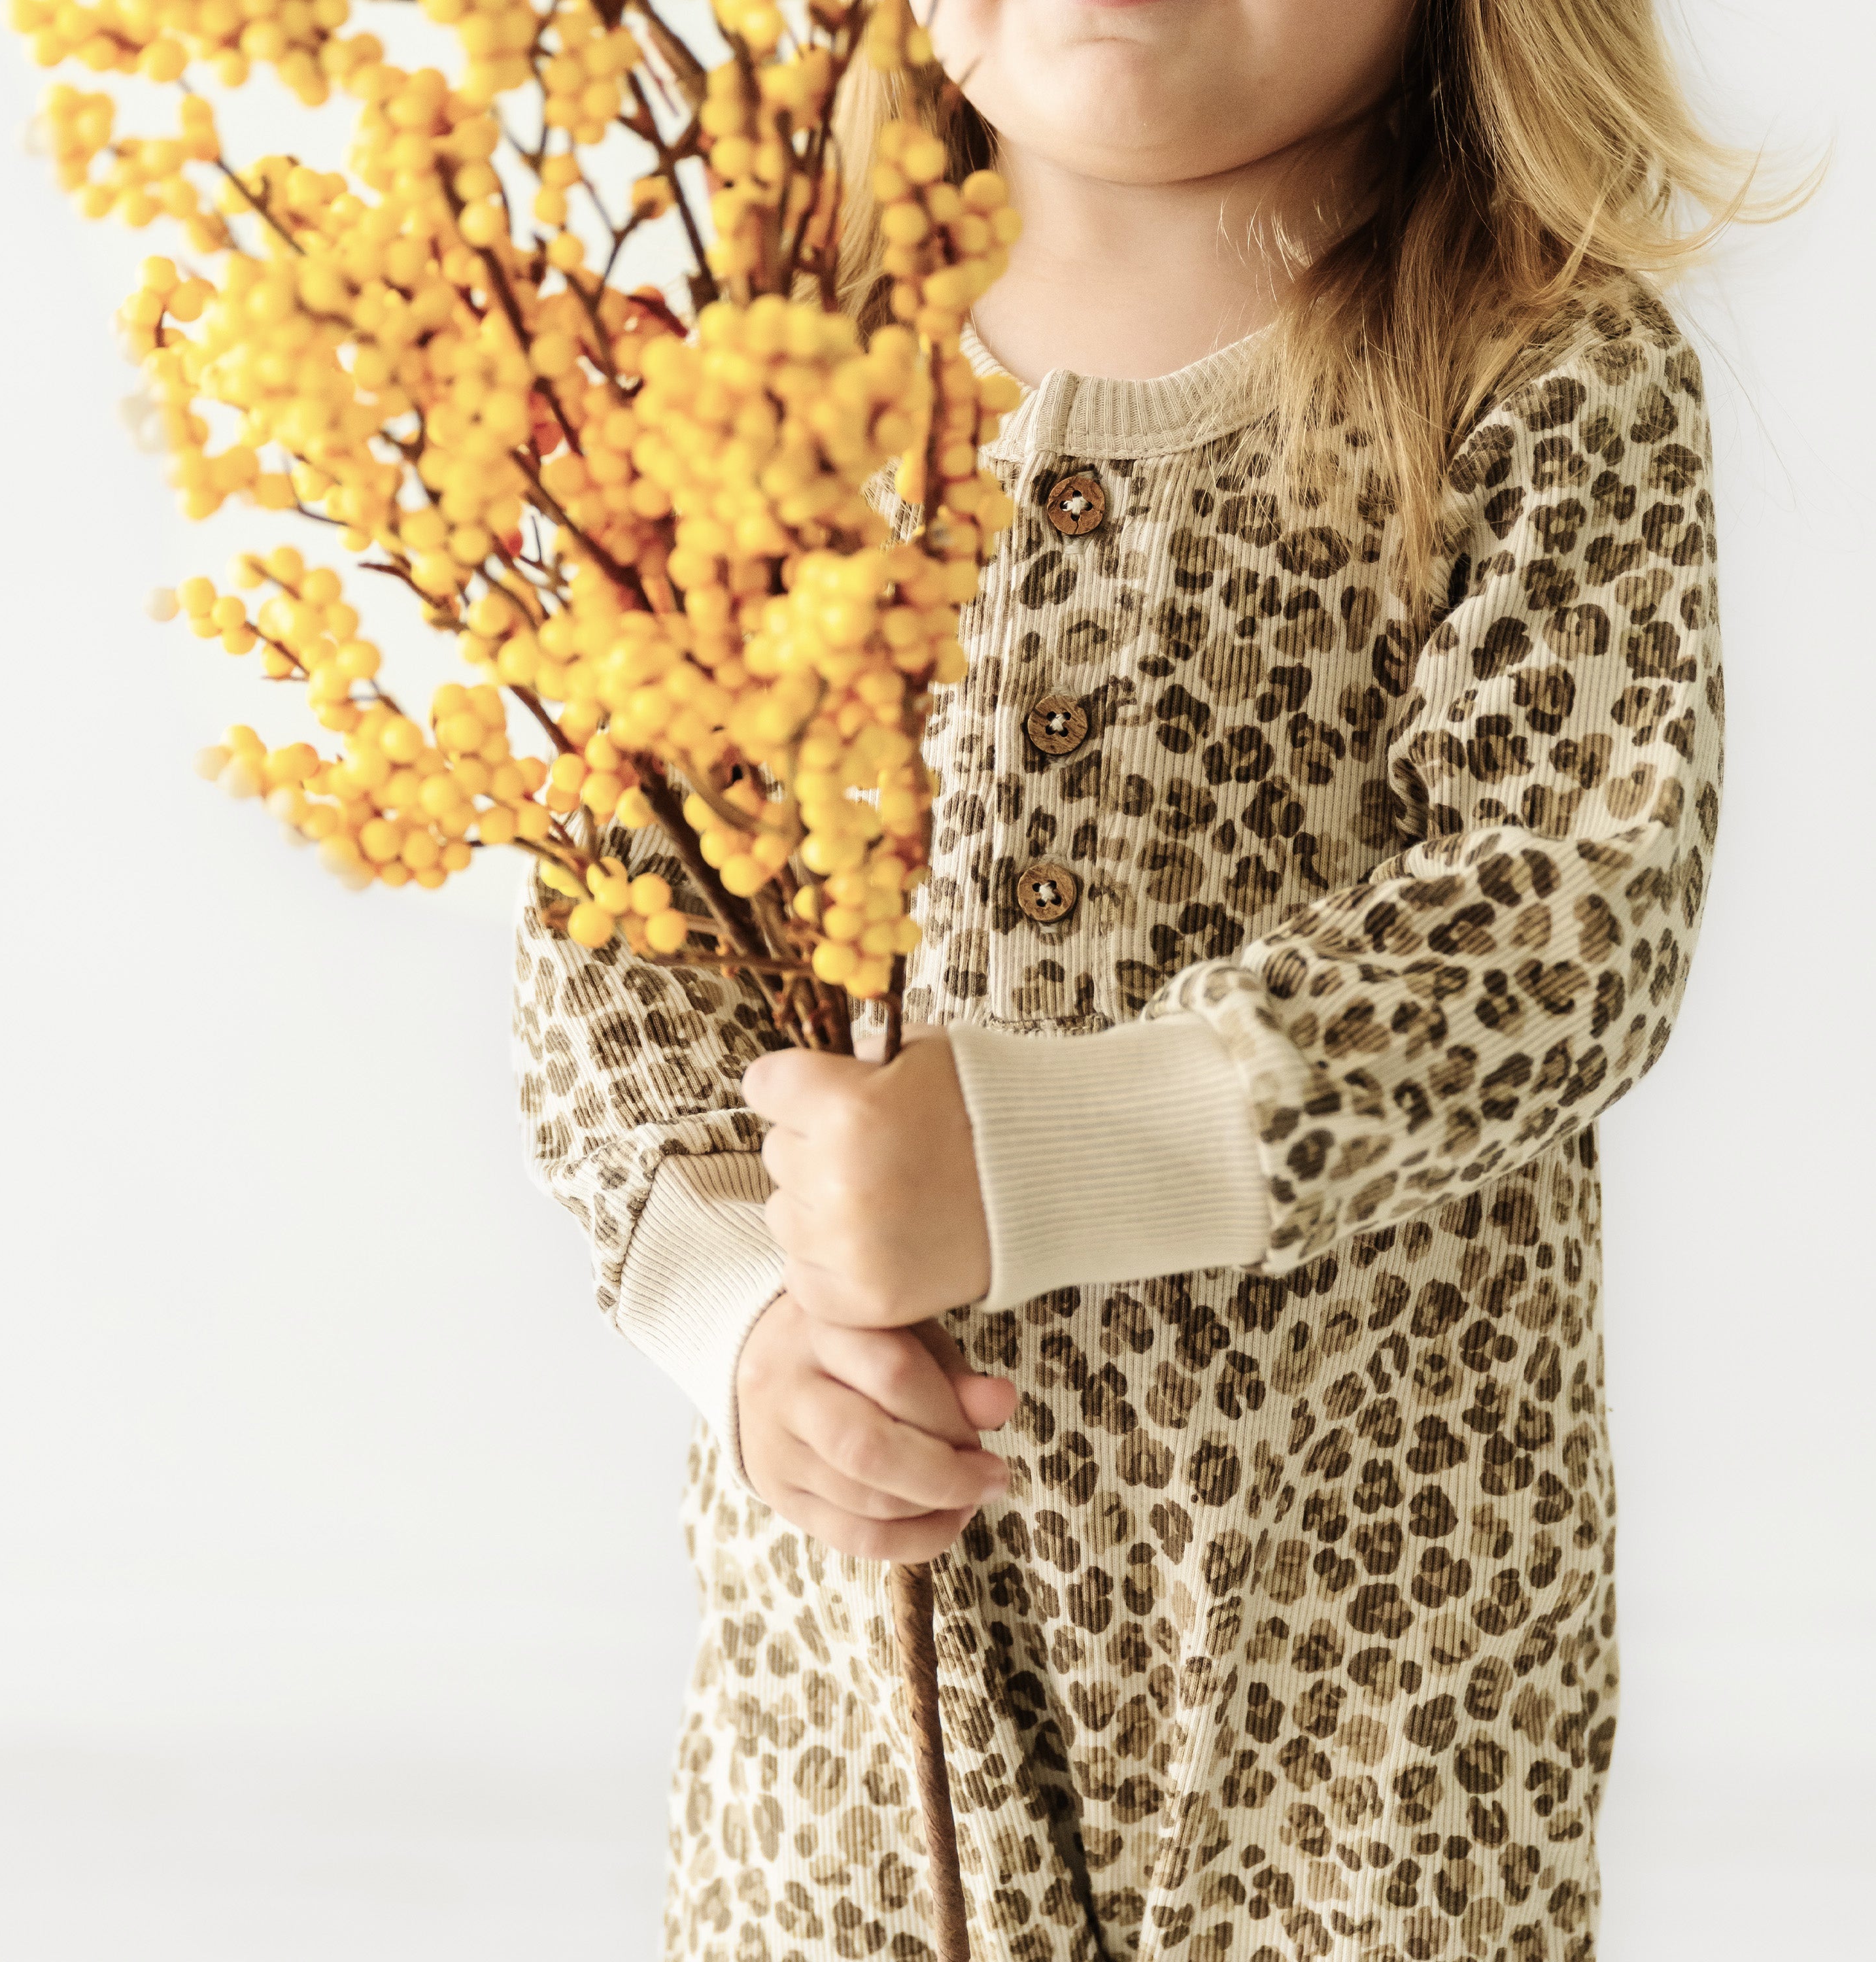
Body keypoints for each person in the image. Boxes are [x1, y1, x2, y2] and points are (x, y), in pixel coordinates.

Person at [512, 2, 1792, 1953]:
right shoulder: (763, 384)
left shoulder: (1540, 372)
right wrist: (749, 1315)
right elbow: (617, 931)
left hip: (1370, 1668)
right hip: (865, 1706)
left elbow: (1567, 914)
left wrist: (1041, 1153)